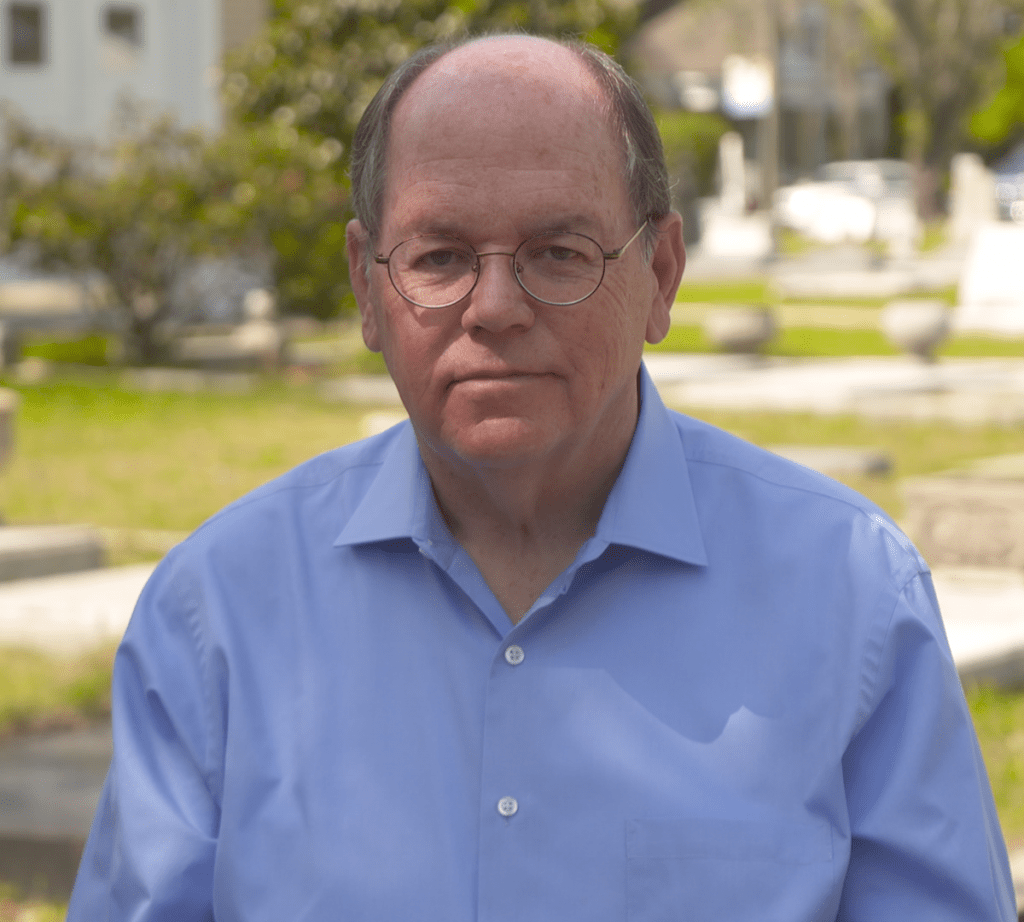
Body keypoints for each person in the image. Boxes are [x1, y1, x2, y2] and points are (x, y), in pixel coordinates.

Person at [68, 34, 1016, 921]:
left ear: (663, 273)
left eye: (558, 254)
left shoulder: (849, 595)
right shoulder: (219, 615)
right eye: (438, 257)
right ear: (366, 286)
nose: (494, 308)